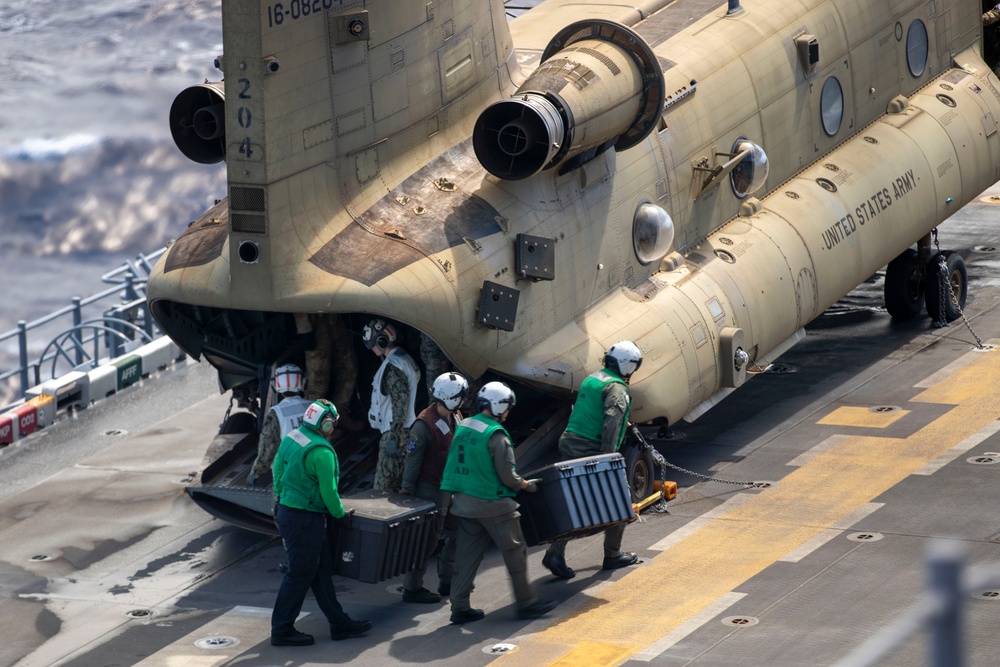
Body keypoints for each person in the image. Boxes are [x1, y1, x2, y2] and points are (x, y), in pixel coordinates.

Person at [440, 381, 556, 624]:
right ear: (499, 406)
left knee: (466, 557)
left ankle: (459, 607)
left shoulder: (464, 427)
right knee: (515, 551)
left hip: (464, 504)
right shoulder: (497, 435)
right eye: (507, 408)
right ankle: (526, 604)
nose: (507, 413)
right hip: (494, 506)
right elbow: (508, 477)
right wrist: (526, 485)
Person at [270, 399, 372, 646]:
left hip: (287, 510)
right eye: (333, 424)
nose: (334, 428)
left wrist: (282, 495)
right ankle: (282, 630)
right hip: (305, 518)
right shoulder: (322, 452)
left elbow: (277, 471)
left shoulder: (293, 436)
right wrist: (340, 515)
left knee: (320, 570)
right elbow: (329, 493)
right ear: (325, 424)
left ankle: (339, 623)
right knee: (300, 574)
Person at [542, 341, 644, 580]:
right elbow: (610, 423)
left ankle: (555, 553)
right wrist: (608, 461)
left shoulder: (594, 378)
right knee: (620, 498)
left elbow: (593, 410)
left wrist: (628, 425)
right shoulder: (618, 389)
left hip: (571, 442)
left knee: (574, 501)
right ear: (628, 366)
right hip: (591, 448)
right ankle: (612, 554)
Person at [399, 372, 469, 604]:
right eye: (460, 396)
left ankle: (447, 579)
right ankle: (412, 588)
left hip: (450, 487)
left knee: (456, 533)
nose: (463, 401)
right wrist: (407, 491)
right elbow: (413, 461)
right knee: (426, 541)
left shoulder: (454, 416)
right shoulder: (423, 425)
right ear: (451, 398)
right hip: (430, 490)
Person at [364, 318, 420, 493]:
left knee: (383, 489)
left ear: (382, 341)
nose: (371, 348)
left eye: (372, 344)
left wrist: (394, 437)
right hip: (402, 431)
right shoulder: (402, 358)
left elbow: (400, 401)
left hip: (395, 433)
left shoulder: (394, 366)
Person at [247, 364, 311, 487]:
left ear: (276, 387)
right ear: (303, 383)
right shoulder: (314, 407)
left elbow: (268, 447)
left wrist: (255, 473)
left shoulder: (277, 413)